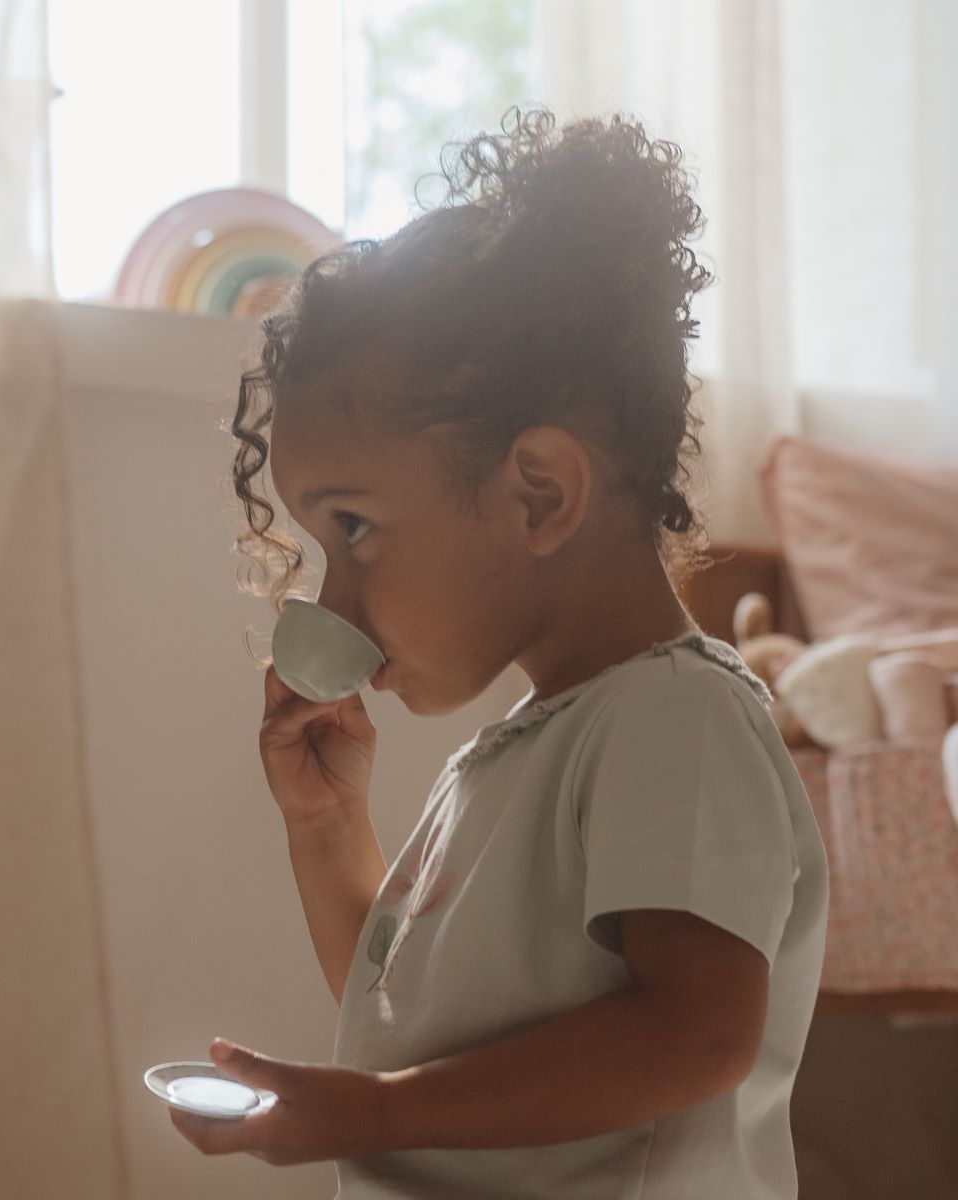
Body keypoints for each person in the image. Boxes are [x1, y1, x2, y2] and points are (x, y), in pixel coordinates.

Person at [169, 106, 829, 1199]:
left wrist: (375, 1112)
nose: (335, 599)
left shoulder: (676, 718)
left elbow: (697, 1033)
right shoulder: (513, 757)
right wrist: (328, 834)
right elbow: (406, 1029)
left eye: (356, 530)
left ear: (539, 493)